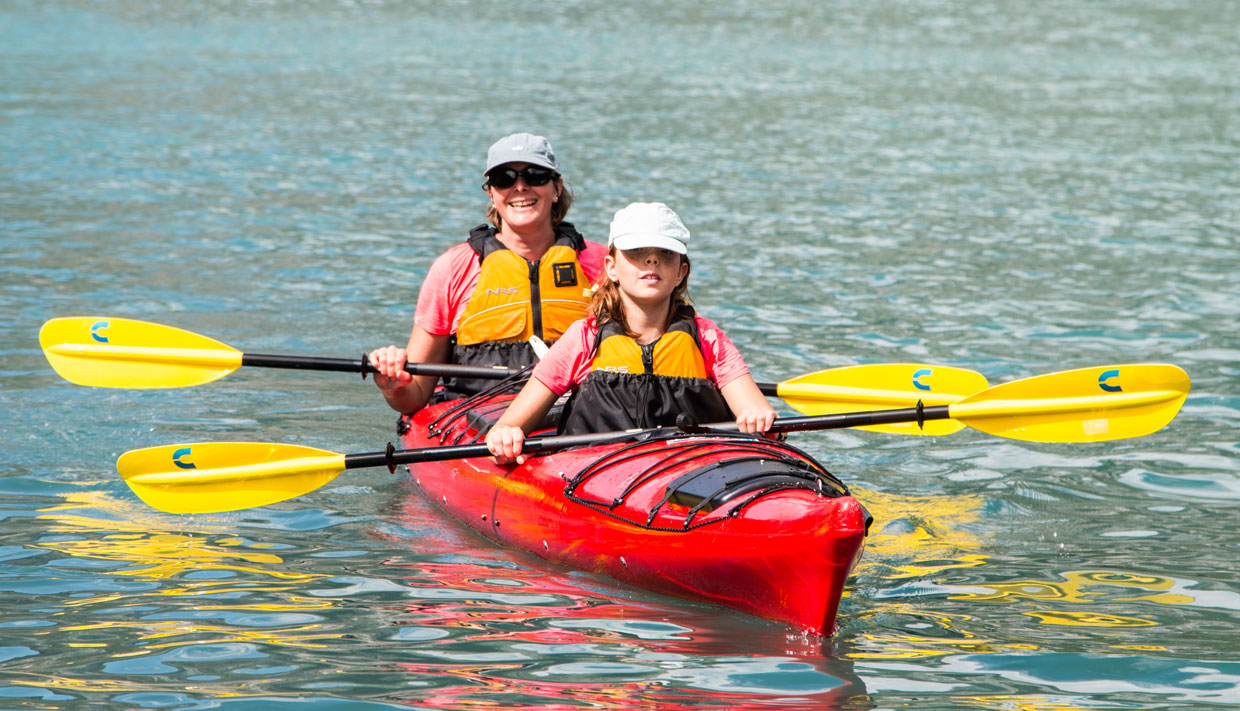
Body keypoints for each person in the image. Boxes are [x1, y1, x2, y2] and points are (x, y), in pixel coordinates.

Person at [485, 202, 777, 464]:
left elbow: (755, 411)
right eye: (637, 252)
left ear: (681, 272)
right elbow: (510, 426)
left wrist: (758, 418)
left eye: (665, 253)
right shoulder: (584, 338)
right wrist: (506, 439)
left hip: (691, 471)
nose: (652, 261)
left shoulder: (708, 338)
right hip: (596, 477)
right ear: (611, 267)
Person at [369, 133, 608, 414]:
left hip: (580, 418)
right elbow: (415, 397)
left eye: (535, 175)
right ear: (492, 194)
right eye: (504, 178)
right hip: (475, 422)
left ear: (556, 188)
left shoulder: (605, 265)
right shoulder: (453, 268)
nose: (520, 186)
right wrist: (392, 385)